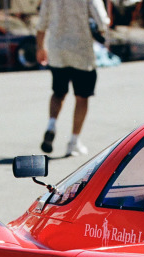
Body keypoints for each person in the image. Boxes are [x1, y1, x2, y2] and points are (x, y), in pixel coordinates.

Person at [37, 0, 109, 157]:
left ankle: (52, 124)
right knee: (82, 97)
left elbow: (42, 21)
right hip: (81, 51)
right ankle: (74, 142)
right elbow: (102, 21)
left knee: (58, 92)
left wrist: (40, 47)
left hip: (57, 50)